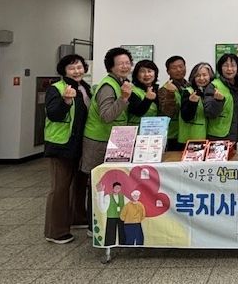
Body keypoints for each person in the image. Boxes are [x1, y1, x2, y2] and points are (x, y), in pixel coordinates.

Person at [82, 47, 133, 236]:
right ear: (111, 66)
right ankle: (92, 226)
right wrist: (124, 98)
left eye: (127, 63)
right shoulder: (108, 86)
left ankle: (99, 222)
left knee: (108, 184)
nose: (125, 66)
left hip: (110, 140)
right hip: (98, 142)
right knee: (98, 183)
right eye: (120, 64)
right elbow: (106, 116)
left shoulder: (120, 82)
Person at [44, 54, 91, 244]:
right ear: (64, 71)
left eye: (79, 67)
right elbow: (53, 114)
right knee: (60, 188)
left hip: (81, 144)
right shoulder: (56, 88)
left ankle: (77, 217)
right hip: (61, 145)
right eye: (72, 68)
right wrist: (65, 101)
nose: (77, 71)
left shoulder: (85, 88)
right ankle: (55, 231)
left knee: (80, 183)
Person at [180, 62, 225, 143]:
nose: (201, 78)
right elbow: (185, 117)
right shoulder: (188, 91)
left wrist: (219, 101)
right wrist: (192, 103)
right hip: (190, 139)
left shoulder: (214, 91)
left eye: (204, 75)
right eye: (198, 75)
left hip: (209, 137)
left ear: (210, 76)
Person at [207, 53, 238, 142]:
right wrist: (218, 102)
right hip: (220, 138)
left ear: (237, 68)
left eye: (233, 65)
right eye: (225, 66)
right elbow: (209, 113)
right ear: (220, 68)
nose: (229, 69)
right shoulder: (214, 86)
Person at [158, 56, 189, 150]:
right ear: (168, 71)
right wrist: (170, 94)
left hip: (188, 133)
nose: (178, 70)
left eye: (181, 66)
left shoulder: (190, 86)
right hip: (173, 135)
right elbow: (166, 113)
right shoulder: (164, 89)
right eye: (174, 68)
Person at [128, 60, 159, 125]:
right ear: (136, 74)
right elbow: (137, 112)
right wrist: (147, 99)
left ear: (155, 73)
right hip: (136, 128)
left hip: (153, 128)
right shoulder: (131, 90)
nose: (146, 74)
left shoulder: (157, 90)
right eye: (142, 71)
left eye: (149, 71)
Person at [96, 181, 126, 246]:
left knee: (122, 232)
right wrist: (100, 193)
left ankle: (123, 245)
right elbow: (102, 209)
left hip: (121, 217)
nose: (118, 189)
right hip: (111, 217)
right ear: (113, 188)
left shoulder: (122, 197)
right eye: (116, 188)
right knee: (110, 233)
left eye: (119, 188)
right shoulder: (108, 197)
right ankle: (109, 245)